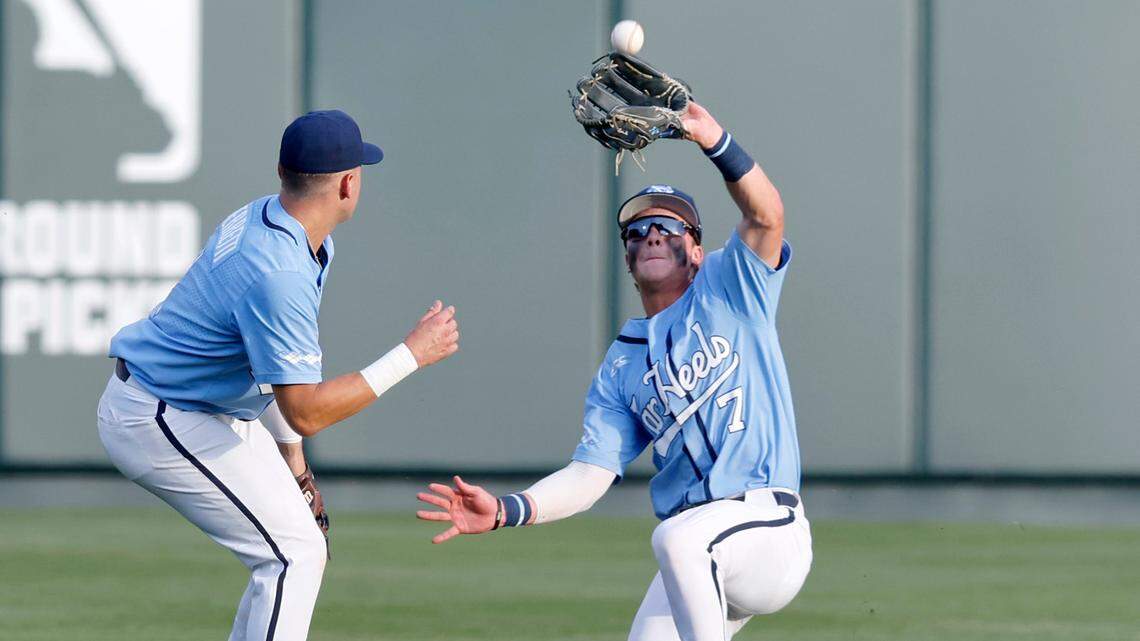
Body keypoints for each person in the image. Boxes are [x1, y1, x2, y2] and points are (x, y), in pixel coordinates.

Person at [416, 101, 810, 641]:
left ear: (697, 250)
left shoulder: (731, 287)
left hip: (768, 531)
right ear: (626, 257)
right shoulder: (622, 364)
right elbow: (588, 476)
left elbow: (767, 214)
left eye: (671, 225)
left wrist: (714, 139)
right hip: (703, 553)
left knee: (676, 539)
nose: (652, 232)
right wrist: (508, 509)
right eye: (639, 227)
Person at [98, 109, 460, 641]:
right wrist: (410, 354)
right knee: (292, 554)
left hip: (197, 403)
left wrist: (292, 460)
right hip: (159, 415)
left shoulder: (277, 223)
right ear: (347, 184)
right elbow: (306, 410)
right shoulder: (279, 269)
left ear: (281, 172)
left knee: (292, 554)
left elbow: (269, 370)